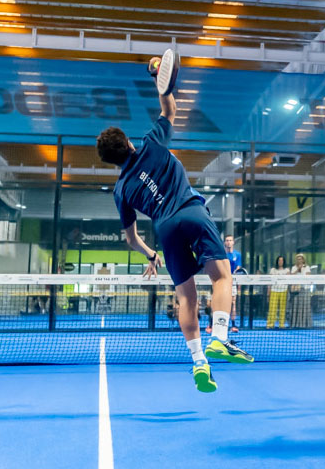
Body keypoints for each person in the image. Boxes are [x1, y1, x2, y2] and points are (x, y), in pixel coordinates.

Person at [95, 52, 253, 393]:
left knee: (186, 298)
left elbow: (131, 239)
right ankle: (219, 337)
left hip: (165, 230)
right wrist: (160, 83)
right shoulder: (151, 144)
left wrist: (151, 255)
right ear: (128, 143)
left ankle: (199, 362)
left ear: (111, 162)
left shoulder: (121, 191)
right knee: (222, 276)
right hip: (191, 212)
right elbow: (170, 110)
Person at [288, 253, 312, 328]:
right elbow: (291, 276)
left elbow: (308, 276)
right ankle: (294, 324)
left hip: (305, 288)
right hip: (296, 290)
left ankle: (304, 324)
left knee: (304, 306)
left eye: (300, 259)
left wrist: (302, 270)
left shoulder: (307, 267)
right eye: (298, 259)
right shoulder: (293, 267)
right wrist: (297, 269)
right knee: (295, 306)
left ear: (303, 260)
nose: (299, 260)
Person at [224, 234, 242, 332]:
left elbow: (238, 267)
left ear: (233, 242)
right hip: (222, 281)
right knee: (222, 303)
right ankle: (216, 324)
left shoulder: (237, 255)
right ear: (224, 243)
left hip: (233, 281)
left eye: (230, 240)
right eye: (227, 240)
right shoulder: (222, 254)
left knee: (233, 302)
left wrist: (234, 276)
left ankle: (233, 325)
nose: (229, 242)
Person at [266, 255, 289, 329]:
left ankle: (281, 324)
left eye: (282, 260)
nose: (280, 262)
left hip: (283, 290)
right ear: (277, 261)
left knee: (282, 309)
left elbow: (289, 280)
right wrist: (268, 291)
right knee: (272, 308)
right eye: (279, 260)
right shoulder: (273, 270)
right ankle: (270, 324)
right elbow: (269, 281)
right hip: (274, 290)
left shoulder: (287, 270)